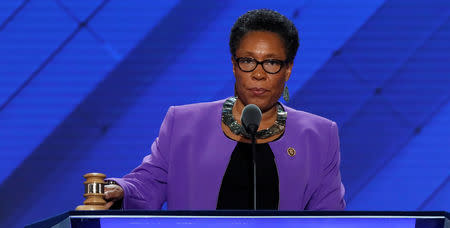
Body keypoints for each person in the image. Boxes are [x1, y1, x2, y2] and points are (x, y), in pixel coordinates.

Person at [105, 9, 345, 210]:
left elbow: (329, 217)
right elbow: (149, 183)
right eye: (248, 61)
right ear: (234, 65)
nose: (258, 74)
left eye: (271, 63)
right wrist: (120, 190)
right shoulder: (184, 123)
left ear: (288, 69)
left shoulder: (320, 136)